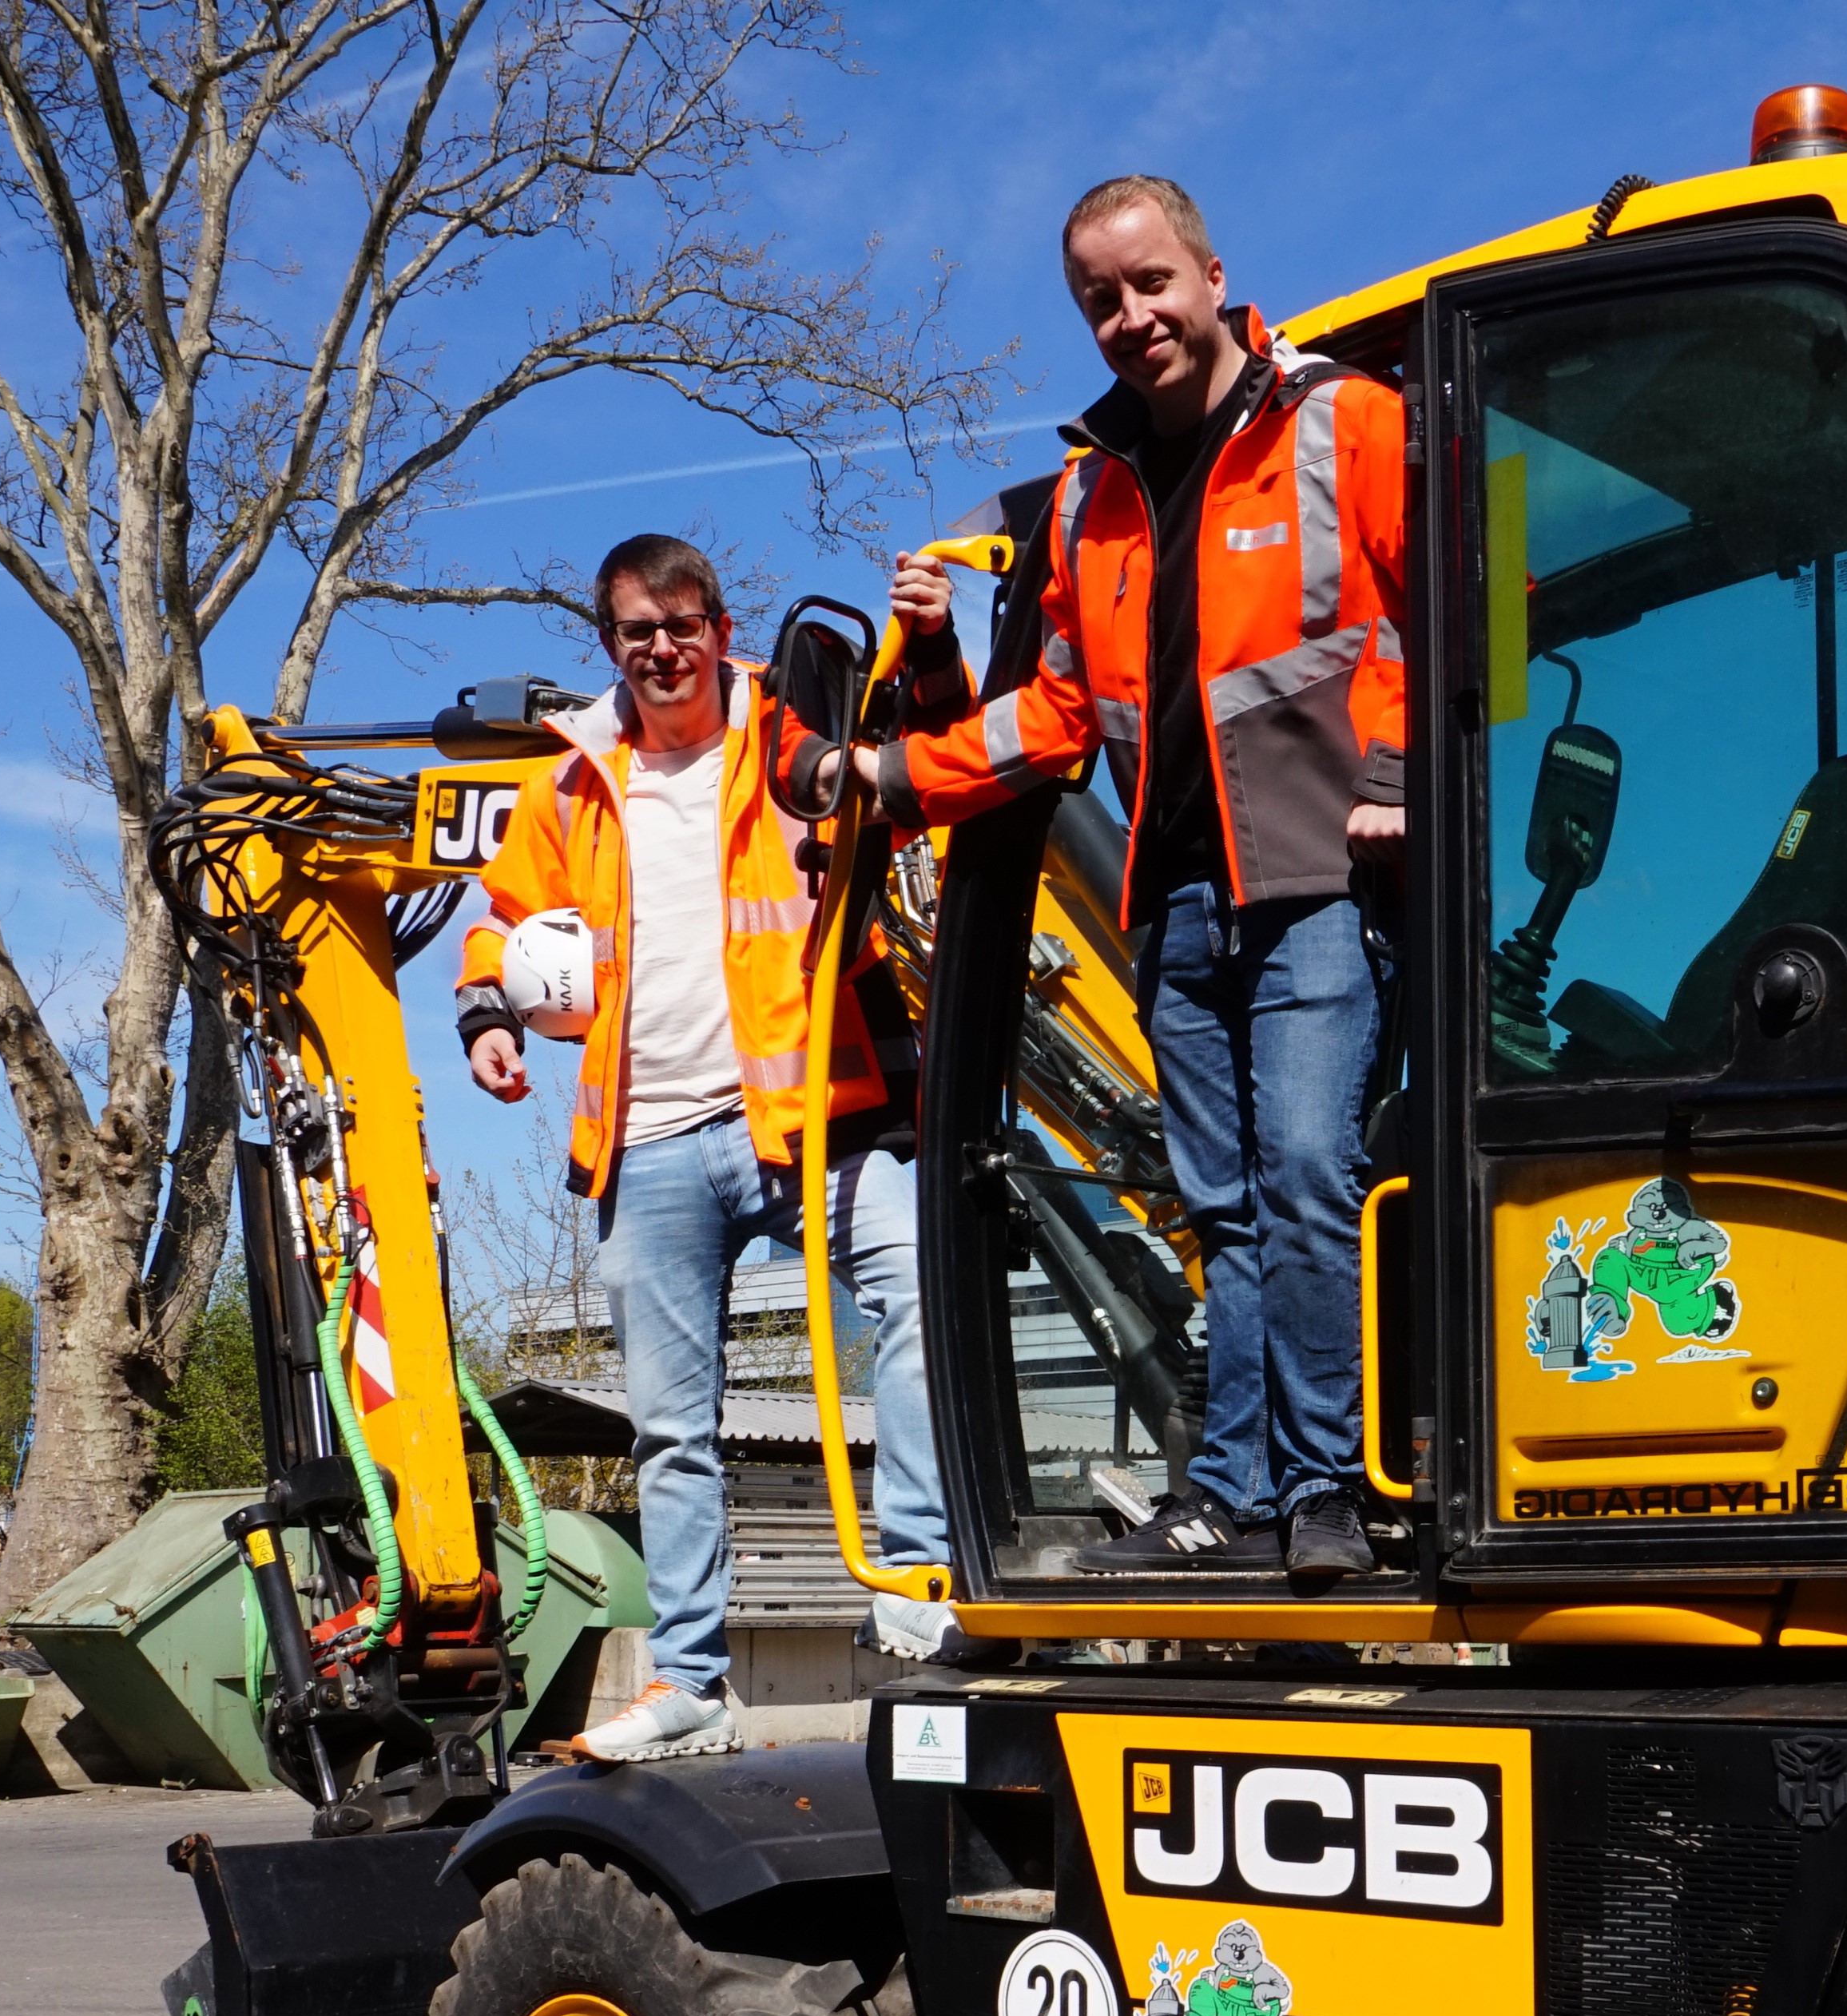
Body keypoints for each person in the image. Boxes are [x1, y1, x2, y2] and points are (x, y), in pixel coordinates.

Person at [847, 173, 1408, 1581]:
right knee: (1220, 1208)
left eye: (1151, 282)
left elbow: (1464, 604)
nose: (1132, 315)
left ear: (1213, 277)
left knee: (1304, 1174)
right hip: (1176, 908)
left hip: (1316, 885)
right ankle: (1232, 1493)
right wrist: (890, 776)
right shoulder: (1091, 498)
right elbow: (1053, 715)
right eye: (1101, 299)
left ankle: (1325, 1487)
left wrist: (1396, 777)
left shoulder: (1343, 424)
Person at [456, 531, 956, 1760]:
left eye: (683, 626)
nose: (664, 649)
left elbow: (921, 776)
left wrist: (934, 648)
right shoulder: (572, 781)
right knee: (671, 1428)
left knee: (920, 1295)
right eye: (639, 631)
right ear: (610, 644)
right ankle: (689, 1684)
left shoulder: (791, 731)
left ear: (721, 631)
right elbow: (504, 919)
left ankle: (917, 1577)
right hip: (651, 1142)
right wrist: (486, 1016)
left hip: (810, 1116)